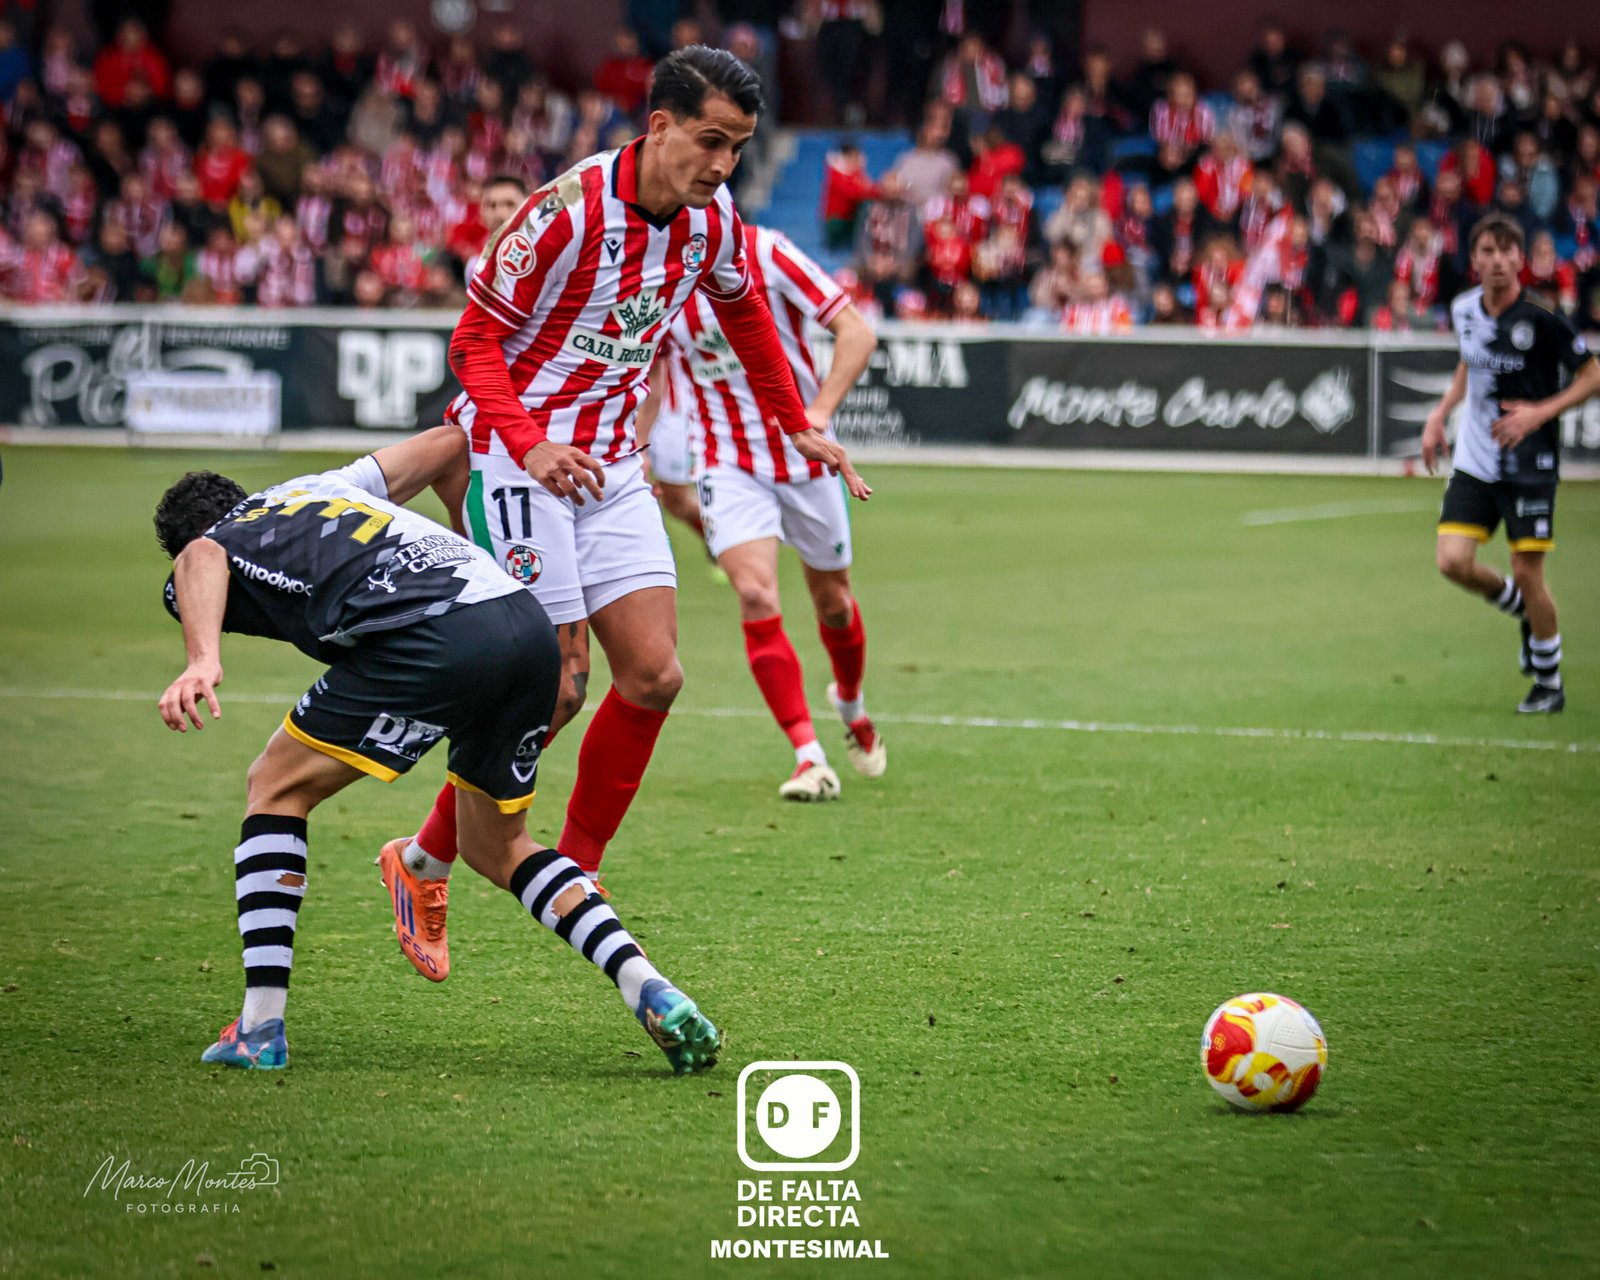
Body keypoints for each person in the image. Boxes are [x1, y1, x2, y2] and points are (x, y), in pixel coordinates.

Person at [386, 46, 870, 974]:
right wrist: (530, 444)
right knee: (559, 682)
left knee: (653, 676)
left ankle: (570, 867)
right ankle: (423, 860)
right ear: (659, 127)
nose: (725, 165)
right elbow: (474, 341)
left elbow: (747, 321)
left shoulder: (712, 219)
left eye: (738, 148)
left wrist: (794, 422)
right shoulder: (562, 215)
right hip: (518, 457)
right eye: (710, 142)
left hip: (611, 465)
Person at [153, 428, 720, 1074]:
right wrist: (466, 537)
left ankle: (258, 1028)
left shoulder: (223, 536)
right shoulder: (323, 487)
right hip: (521, 621)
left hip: (430, 635)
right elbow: (453, 443)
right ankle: (647, 984)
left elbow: (201, 553)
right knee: (498, 846)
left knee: (274, 787)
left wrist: (202, 659)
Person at [647, 224, 883, 800]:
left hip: (806, 459)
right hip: (725, 461)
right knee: (754, 592)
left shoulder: (768, 250)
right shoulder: (656, 274)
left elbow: (857, 333)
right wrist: (635, 450)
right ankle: (808, 755)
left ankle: (849, 702)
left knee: (834, 602)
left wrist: (819, 414)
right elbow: (651, 374)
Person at [1423, 213, 1600, 713]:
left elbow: (1592, 376)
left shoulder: (1542, 314)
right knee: (1452, 561)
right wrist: (1439, 415)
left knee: (1528, 571)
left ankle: (1549, 684)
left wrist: (1539, 413)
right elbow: (1467, 367)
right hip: (1476, 459)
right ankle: (1524, 613)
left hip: (1530, 461)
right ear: (1474, 259)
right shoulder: (1463, 310)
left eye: (1506, 251)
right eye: (1487, 251)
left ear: (1520, 259)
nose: (1497, 261)